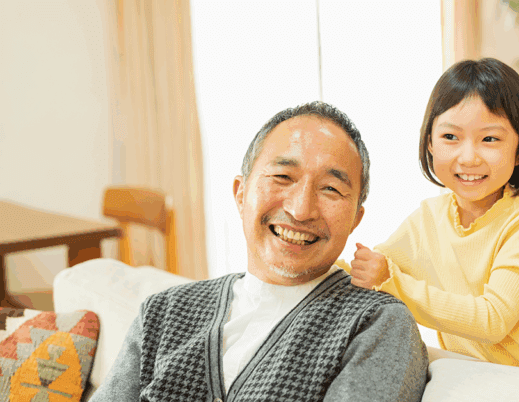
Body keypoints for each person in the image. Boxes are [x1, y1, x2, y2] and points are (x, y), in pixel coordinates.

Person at [92, 101, 429, 401]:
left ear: (356, 218)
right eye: (282, 176)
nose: (301, 210)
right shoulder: (163, 313)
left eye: (330, 188)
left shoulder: (376, 323)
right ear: (241, 194)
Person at [347, 58, 519, 380]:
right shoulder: (428, 218)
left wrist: (391, 282)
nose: (469, 157)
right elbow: (369, 271)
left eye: (489, 139)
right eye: (451, 137)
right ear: (429, 142)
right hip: (479, 381)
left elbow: (492, 321)